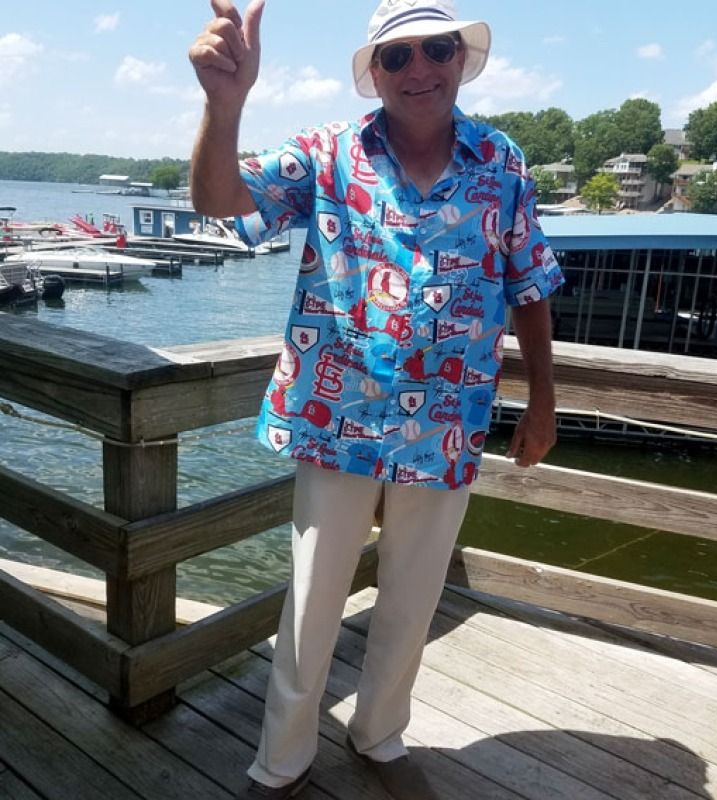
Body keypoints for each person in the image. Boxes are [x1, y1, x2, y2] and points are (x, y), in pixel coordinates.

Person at [189, 1, 564, 797]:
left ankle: (380, 735)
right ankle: (280, 761)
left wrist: (542, 402)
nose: (419, 69)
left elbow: (529, 286)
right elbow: (220, 203)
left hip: (449, 421)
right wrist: (225, 107)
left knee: (413, 597)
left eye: (436, 49)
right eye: (397, 57)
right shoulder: (326, 153)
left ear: (460, 58)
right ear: (375, 73)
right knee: (312, 600)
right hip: (337, 421)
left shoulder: (504, 162)